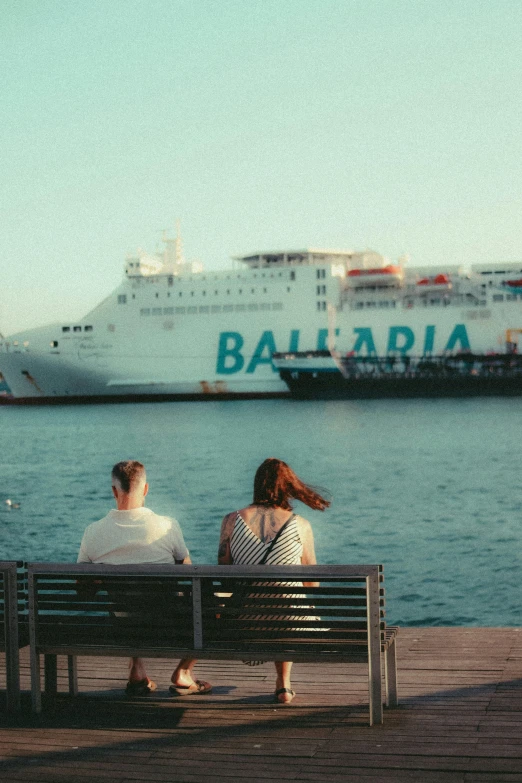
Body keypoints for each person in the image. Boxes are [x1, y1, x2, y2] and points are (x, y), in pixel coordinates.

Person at [77, 460, 211, 697]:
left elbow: (83, 591)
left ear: (114, 491)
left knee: (126, 606)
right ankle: (183, 672)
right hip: (168, 626)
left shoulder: (93, 533)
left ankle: (137, 672)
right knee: (212, 604)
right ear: (146, 489)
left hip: (121, 628)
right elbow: (189, 576)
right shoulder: (168, 526)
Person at [217, 457, 330, 704]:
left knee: (269, 599)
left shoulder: (231, 521)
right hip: (292, 626)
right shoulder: (300, 525)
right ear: (288, 487)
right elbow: (312, 583)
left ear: (257, 485)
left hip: (246, 625)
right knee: (288, 600)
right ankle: (284, 684)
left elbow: (224, 576)